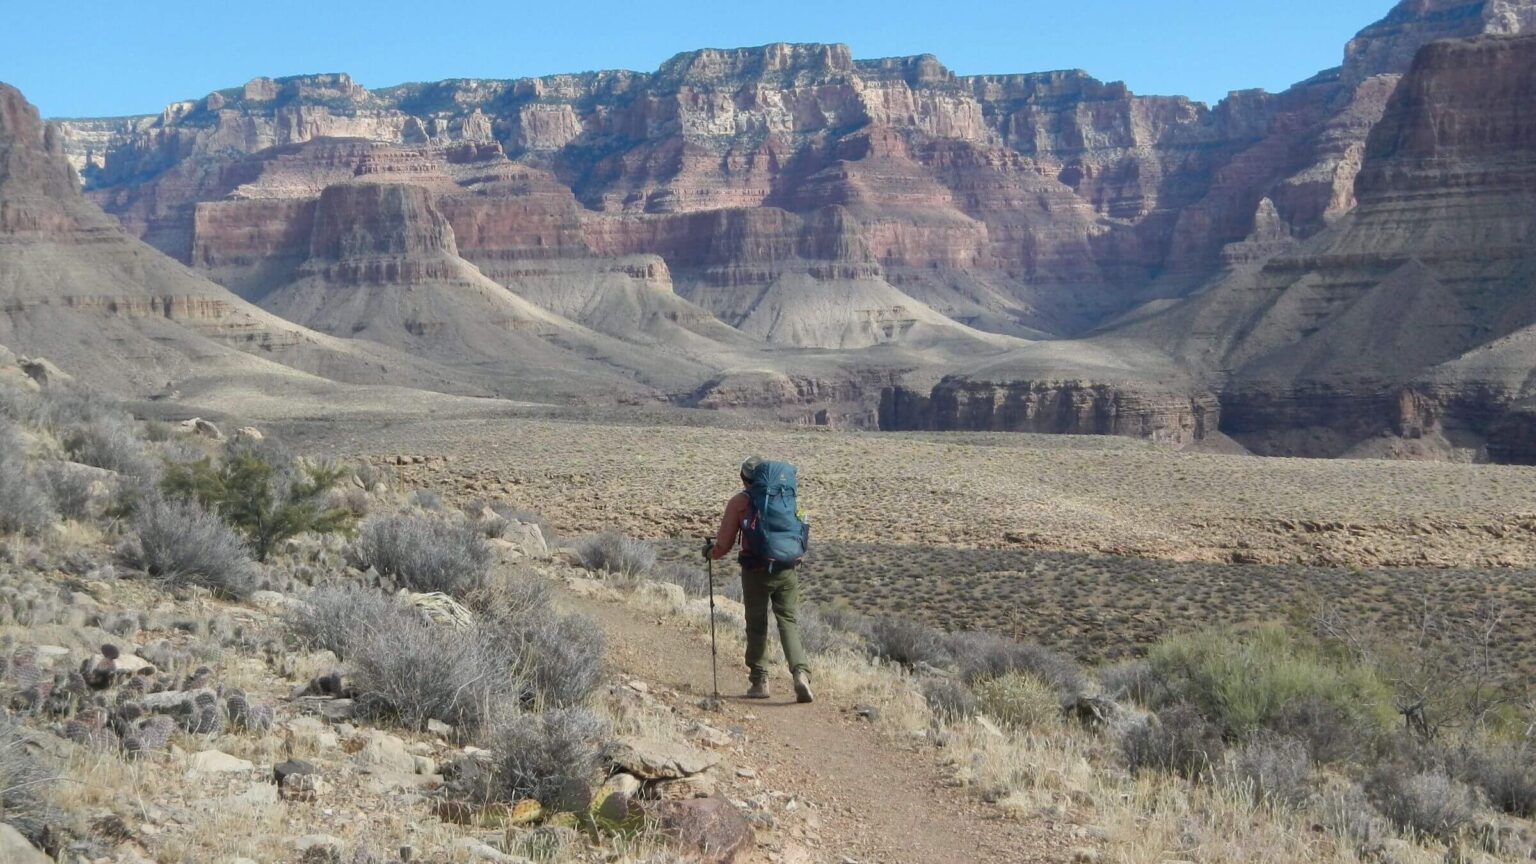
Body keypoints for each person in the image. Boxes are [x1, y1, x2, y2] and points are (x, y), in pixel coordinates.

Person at [703, 456, 813, 703]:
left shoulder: (740, 502)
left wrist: (711, 552)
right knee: (788, 621)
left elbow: (725, 544)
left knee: (756, 623)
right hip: (786, 568)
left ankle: (759, 680)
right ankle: (801, 673)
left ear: (744, 479)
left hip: (755, 570)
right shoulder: (785, 496)